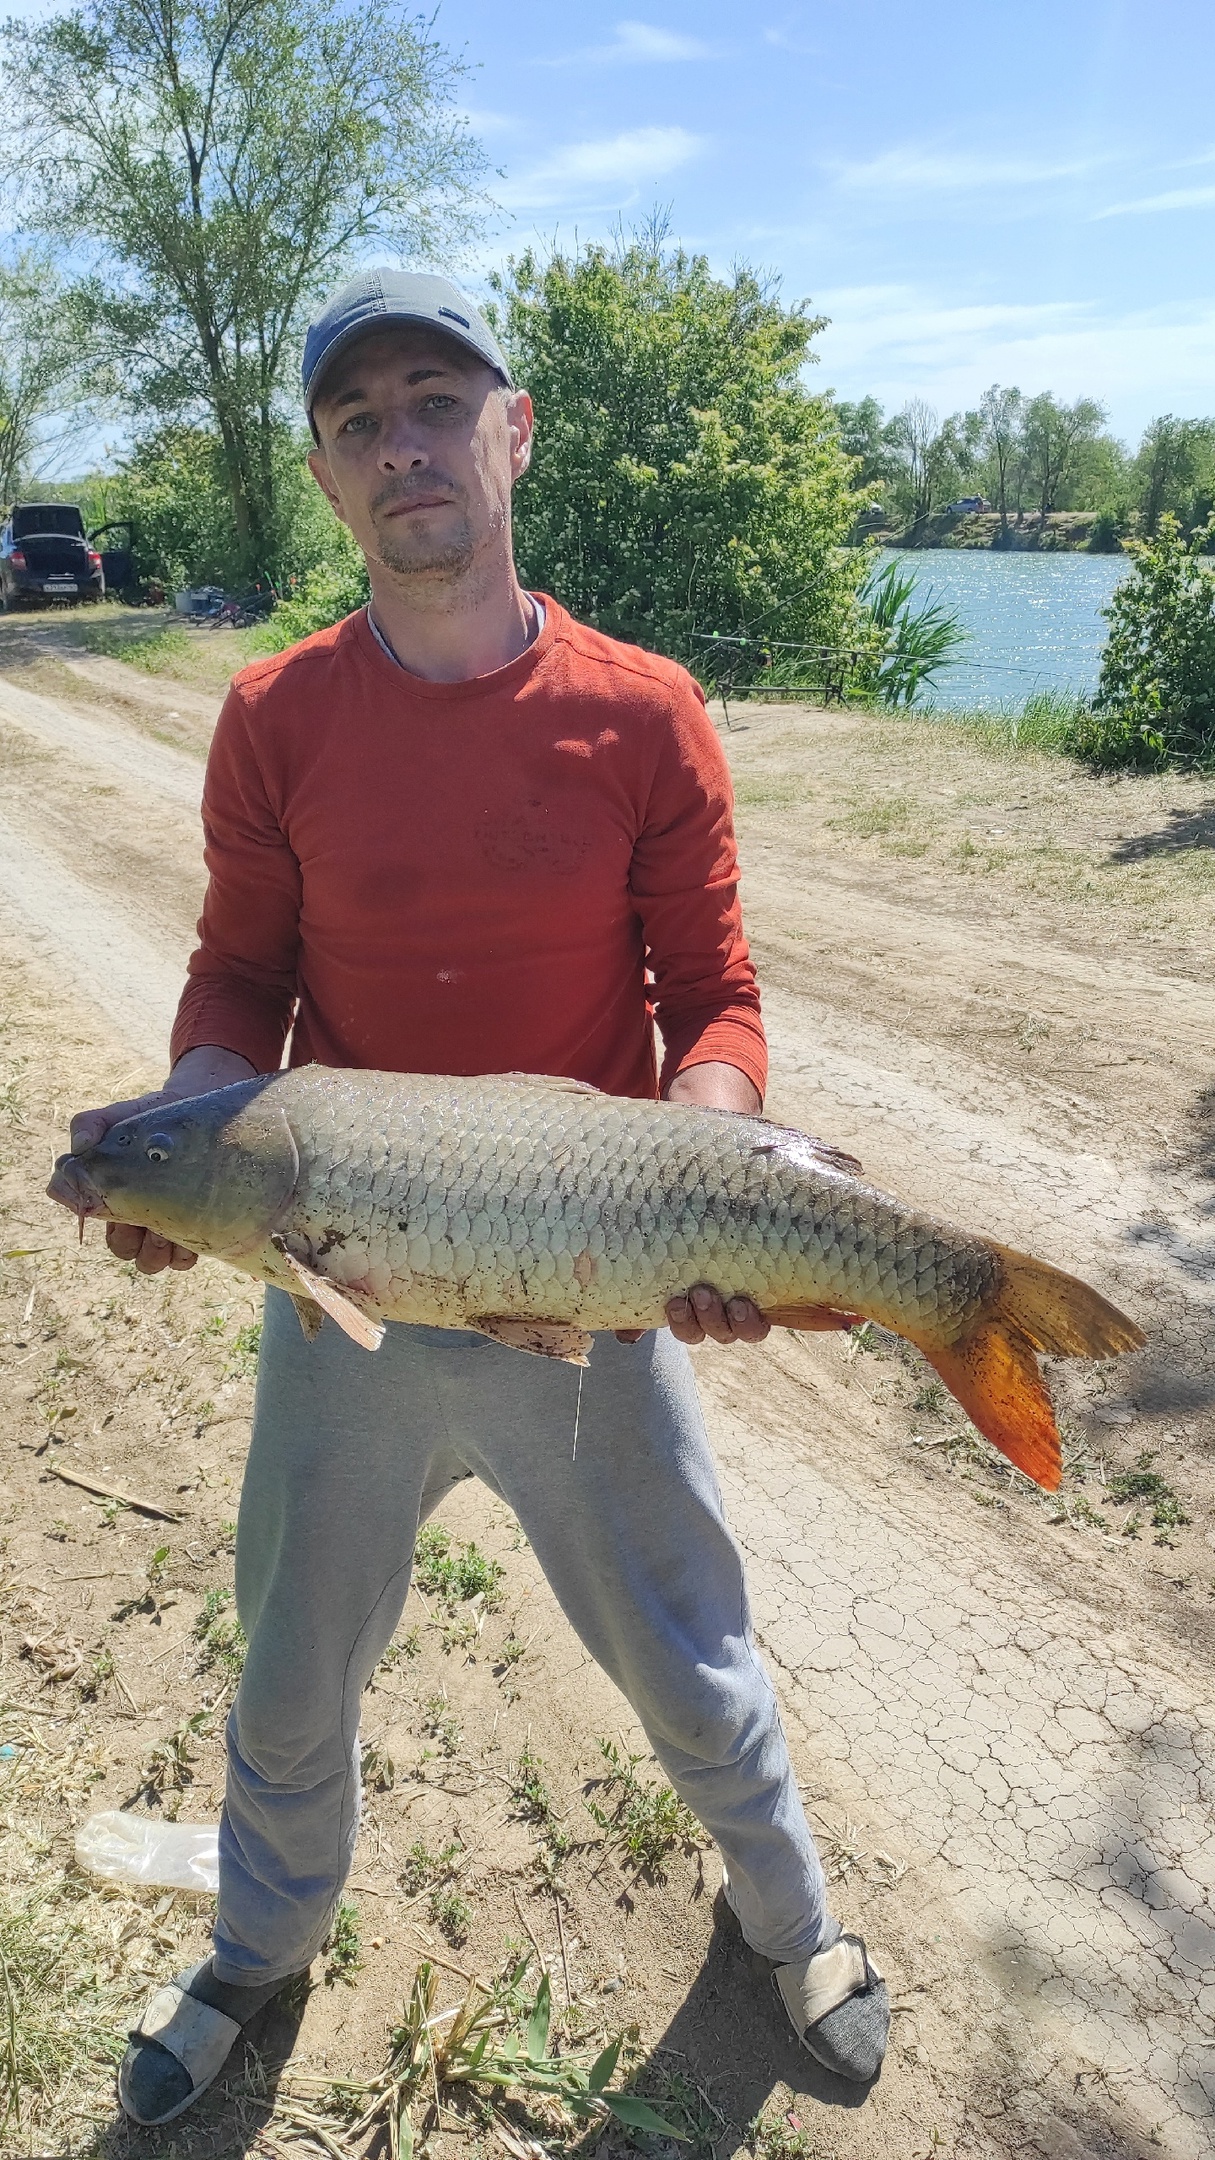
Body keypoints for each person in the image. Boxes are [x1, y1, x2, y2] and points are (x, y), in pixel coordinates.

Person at [65, 270, 889, 2128]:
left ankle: (793, 1924)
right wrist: (189, 1130)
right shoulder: (275, 718)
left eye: (437, 401)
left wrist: (706, 1167)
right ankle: (257, 1951)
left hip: (591, 1292)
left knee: (692, 1662)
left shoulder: (645, 714)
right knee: (286, 1681)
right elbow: (237, 979)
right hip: (343, 1294)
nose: (403, 444)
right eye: (360, 423)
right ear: (329, 480)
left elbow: (718, 996)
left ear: (512, 433)